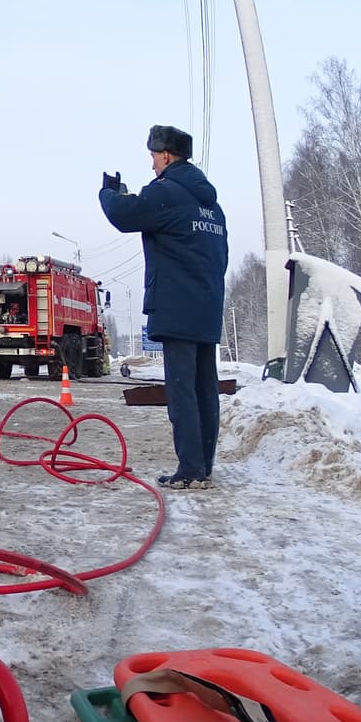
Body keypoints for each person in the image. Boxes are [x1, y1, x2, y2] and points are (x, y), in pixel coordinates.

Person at [99, 124, 229, 490]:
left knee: (182, 390)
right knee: (205, 388)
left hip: (176, 307)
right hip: (206, 307)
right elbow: (223, 257)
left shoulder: (167, 193)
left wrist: (109, 192)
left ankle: (189, 469)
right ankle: (203, 465)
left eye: (154, 157)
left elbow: (125, 215)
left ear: (167, 156)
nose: (152, 165)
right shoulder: (212, 207)